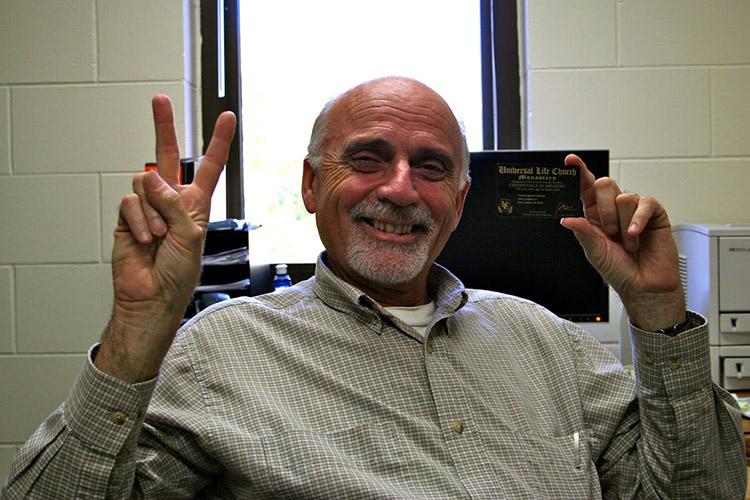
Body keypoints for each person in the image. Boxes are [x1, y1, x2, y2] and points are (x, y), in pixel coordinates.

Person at [1, 77, 745, 499]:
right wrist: (140, 325)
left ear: (458, 200)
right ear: (309, 183)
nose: (400, 188)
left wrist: (658, 315)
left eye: (430, 167)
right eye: (368, 157)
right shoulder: (222, 352)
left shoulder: (549, 342)